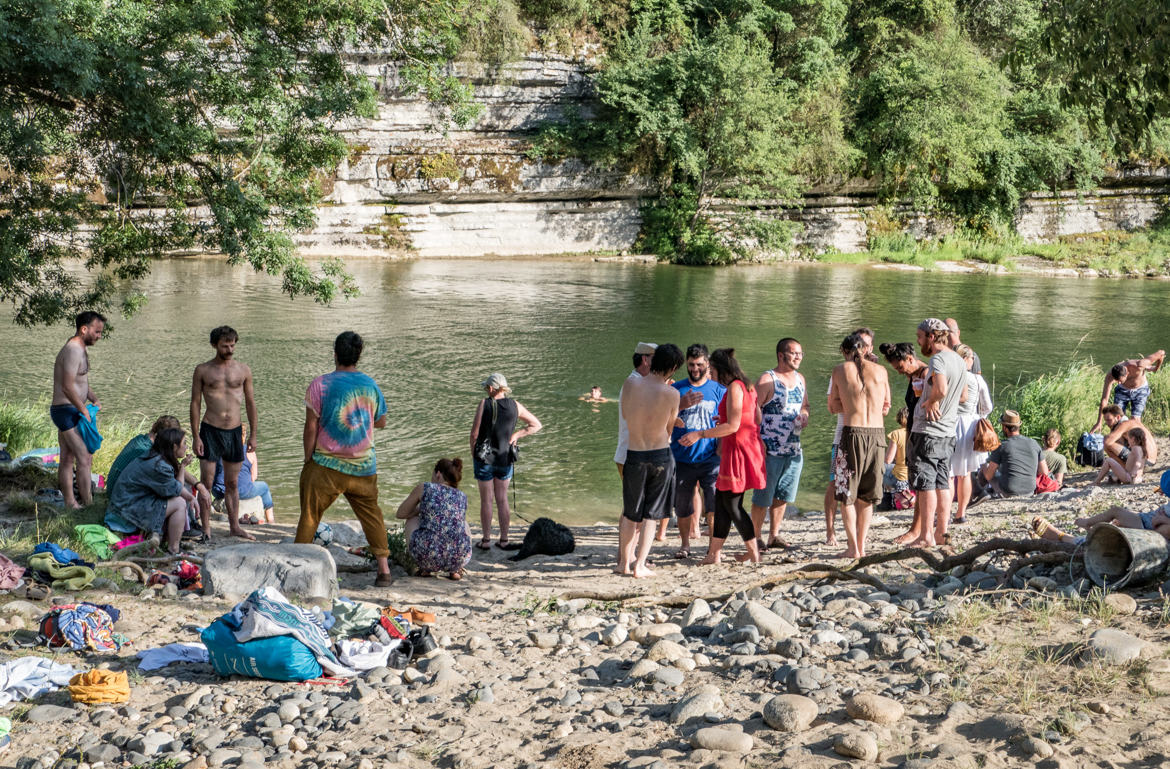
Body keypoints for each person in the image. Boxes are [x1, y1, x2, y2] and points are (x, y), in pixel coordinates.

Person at [294, 331, 394, 587]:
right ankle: (384, 572)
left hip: (326, 464)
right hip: (363, 466)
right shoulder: (370, 385)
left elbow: (310, 427)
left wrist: (308, 459)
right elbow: (381, 421)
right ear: (359, 355)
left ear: (335, 353)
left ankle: (296, 564)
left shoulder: (320, 385)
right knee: (372, 517)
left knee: (310, 515)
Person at [680, 348, 765, 565]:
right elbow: (756, 417)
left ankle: (754, 554)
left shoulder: (735, 388)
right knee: (721, 503)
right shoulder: (747, 386)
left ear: (720, 369)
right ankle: (713, 554)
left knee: (734, 506)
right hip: (743, 448)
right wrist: (724, 418)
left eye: (712, 370)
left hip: (737, 451)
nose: (710, 374)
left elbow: (733, 426)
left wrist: (700, 433)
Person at [617, 344, 683, 577]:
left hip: (634, 454)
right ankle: (640, 565)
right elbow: (668, 429)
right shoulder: (672, 394)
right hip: (659, 455)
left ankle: (624, 564)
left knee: (630, 513)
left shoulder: (630, 384)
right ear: (673, 367)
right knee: (651, 515)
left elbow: (625, 414)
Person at [191, 326, 258, 541]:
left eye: (232, 345)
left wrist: (254, 434)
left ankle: (234, 527)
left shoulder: (244, 370)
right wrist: (195, 435)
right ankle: (206, 529)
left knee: (232, 483)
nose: (229, 349)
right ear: (214, 345)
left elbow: (250, 403)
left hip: (234, 432)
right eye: (225, 346)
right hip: (210, 430)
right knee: (207, 484)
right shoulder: (203, 370)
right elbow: (195, 403)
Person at [829, 334, 890, 558]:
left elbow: (833, 406)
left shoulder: (839, 370)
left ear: (845, 351)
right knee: (867, 496)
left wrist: (849, 402)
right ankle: (862, 547)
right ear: (865, 350)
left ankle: (852, 548)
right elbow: (886, 406)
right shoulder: (881, 371)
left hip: (851, 433)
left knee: (847, 494)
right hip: (877, 435)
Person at [908, 318, 966, 547]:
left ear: (932, 336)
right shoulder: (959, 360)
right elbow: (963, 396)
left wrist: (932, 400)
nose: (918, 341)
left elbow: (941, 389)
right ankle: (942, 533)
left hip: (929, 430)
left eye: (920, 337)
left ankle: (925, 536)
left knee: (926, 483)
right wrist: (935, 396)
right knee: (943, 482)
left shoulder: (938, 359)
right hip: (948, 431)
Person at [105, 415, 211, 539]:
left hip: (123, 498)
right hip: (125, 507)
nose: (187, 446)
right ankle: (179, 534)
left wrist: (197, 484)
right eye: (183, 442)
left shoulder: (147, 444)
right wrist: (193, 491)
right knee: (180, 498)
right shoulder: (152, 456)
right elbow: (176, 487)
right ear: (170, 441)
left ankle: (184, 524)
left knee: (181, 487)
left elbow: (175, 472)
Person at [469, 373, 542, 550]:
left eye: (487, 388)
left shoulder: (484, 403)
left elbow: (474, 434)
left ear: (492, 388)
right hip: (505, 458)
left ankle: (485, 540)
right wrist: (516, 435)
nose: (486, 390)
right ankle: (504, 540)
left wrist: (474, 455)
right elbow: (536, 425)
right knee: (502, 499)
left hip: (484, 459)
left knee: (486, 500)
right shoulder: (515, 405)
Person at [751, 338, 809, 551]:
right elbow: (751, 411)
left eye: (800, 354)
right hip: (769, 449)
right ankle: (756, 537)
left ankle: (774, 535)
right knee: (762, 496)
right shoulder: (768, 379)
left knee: (783, 494)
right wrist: (757, 441)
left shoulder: (800, 379)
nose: (798, 357)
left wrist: (804, 416)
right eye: (794, 353)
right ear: (781, 355)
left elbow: (806, 406)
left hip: (793, 447)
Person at [670, 344, 725, 559]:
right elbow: (664, 419)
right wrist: (680, 407)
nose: (695, 369)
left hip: (711, 458)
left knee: (713, 505)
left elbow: (726, 424)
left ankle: (713, 548)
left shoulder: (719, 390)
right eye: (691, 365)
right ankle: (685, 545)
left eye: (699, 365)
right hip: (681, 458)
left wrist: (720, 450)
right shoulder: (676, 390)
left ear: (707, 364)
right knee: (682, 507)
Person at [107, 428, 196, 554]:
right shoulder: (160, 466)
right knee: (180, 503)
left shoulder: (154, 455)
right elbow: (177, 489)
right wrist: (191, 497)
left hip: (124, 505)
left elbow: (174, 487)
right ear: (175, 447)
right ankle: (173, 549)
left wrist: (182, 467)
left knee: (176, 500)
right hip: (125, 514)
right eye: (185, 444)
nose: (186, 447)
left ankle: (166, 541)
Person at [51, 311, 105, 509]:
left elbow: (79, 381)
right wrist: (84, 410)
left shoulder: (80, 348)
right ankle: (87, 504)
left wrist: (93, 398)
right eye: (97, 332)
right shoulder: (73, 349)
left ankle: (71, 503)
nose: (99, 336)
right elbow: (67, 385)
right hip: (66, 411)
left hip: (71, 409)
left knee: (67, 458)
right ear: (84, 329)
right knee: (84, 457)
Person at [1033, 471, 1170, 543]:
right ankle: (1074, 536)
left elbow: (1160, 526)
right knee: (1120, 520)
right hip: (1146, 520)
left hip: (1147, 526)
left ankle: (1066, 536)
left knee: (1115, 515)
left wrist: (1161, 520)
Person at [880, 341, 929, 544]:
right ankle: (918, 529)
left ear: (910, 358)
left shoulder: (926, 374)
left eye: (901, 367)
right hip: (913, 434)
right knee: (917, 482)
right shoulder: (913, 376)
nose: (900, 372)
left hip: (924, 434)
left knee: (924, 484)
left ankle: (917, 530)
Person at [396, 457, 472, 580]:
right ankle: (456, 569)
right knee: (464, 524)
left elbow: (401, 513)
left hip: (428, 556)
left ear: (438, 474)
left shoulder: (425, 487)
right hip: (459, 558)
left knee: (412, 520)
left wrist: (420, 510)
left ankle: (424, 568)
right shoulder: (462, 496)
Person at [950, 344, 992, 525]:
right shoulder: (977, 380)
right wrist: (979, 417)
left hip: (951, 423)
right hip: (969, 424)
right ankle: (961, 513)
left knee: (949, 473)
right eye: (972, 358)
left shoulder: (951, 376)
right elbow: (988, 406)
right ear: (966, 359)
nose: (974, 361)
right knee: (965, 473)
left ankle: (943, 513)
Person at [970, 410, 1050, 502]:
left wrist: (983, 467)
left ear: (1005, 428)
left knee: (986, 467)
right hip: (1030, 490)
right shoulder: (1034, 443)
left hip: (1008, 491)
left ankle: (979, 493)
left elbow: (988, 476)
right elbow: (1044, 472)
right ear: (1018, 426)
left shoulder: (1001, 445)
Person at [212, 429, 275, 524]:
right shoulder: (249, 451)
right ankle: (270, 520)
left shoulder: (218, 450)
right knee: (264, 487)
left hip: (218, 491)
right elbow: (253, 478)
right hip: (241, 491)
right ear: (244, 436)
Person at [1093, 350, 1165, 429]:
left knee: (1135, 420)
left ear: (1127, 373)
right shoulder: (1110, 376)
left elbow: (1161, 353)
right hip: (1122, 391)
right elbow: (1104, 400)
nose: (1119, 383)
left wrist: (1156, 368)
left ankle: (1142, 438)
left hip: (1140, 390)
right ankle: (1120, 439)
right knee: (1117, 419)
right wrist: (1099, 422)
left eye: (1121, 380)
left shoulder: (1139, 365)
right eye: (1116, 381)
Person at [615, 342, 657, 476]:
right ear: (645, 359)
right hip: (632, 458)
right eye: (656, 358)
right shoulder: (635, 384)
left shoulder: (641, 382)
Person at [882, 408, 913, 510]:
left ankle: (885, 502)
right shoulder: (917, 432)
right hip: (914, 477)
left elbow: (888, 460)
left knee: (878, 470)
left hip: (901, 478)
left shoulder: (896, 434)